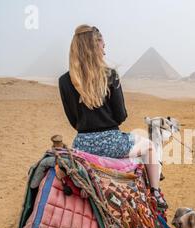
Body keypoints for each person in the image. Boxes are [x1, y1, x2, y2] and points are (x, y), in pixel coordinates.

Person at [58, 25, 167, 209]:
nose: (105, 51)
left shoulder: (64, 80)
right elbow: (120, 115)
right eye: (103, 45)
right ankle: (156, 193)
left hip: (82, 145)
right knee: (150, 148)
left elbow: (73, 121)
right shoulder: (110, 75)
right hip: (112, 143)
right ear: (95, 46)